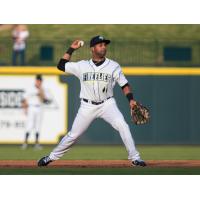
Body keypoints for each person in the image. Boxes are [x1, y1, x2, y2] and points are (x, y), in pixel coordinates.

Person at [38, 35, 146, 167]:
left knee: (123, 126)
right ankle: (50, 157)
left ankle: (135, 158)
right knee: (73, 135)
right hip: (87, 106)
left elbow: (124, 85)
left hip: (107, 104)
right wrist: (71, 49)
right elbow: (61, 65)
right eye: (100, 45)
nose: (103, 47)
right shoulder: (82, 66)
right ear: (92, 48)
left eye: (104, 45)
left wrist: (131, 100)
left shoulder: (113, 66)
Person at [21, 75, 52, 150]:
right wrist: (25, 109)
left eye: (40, 81)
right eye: (38, 80)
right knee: (30, 125)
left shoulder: (43, 89)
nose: (39, 82)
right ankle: (25, 143)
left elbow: (46, 101)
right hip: (31, 107)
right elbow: (24, 99)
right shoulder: (30, 88)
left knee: (38, 126)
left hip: (39, 107)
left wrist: (41, 93)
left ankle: (37, 144)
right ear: (36, 81)